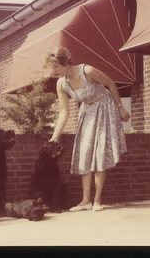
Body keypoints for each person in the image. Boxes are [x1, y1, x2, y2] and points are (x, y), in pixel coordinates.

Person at [43, 46, 130, 212]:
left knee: (100, 153)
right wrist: (54, 137)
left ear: (64, 62)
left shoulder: (87, 70)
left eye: (55, 67)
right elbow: (64, 111)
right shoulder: (61, 84)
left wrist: (121, 108)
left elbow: (110, 84)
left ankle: (97, 200)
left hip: (105, 109)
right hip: (87, 113)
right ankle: (85, 200)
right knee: (85, 153)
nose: (53, 72)